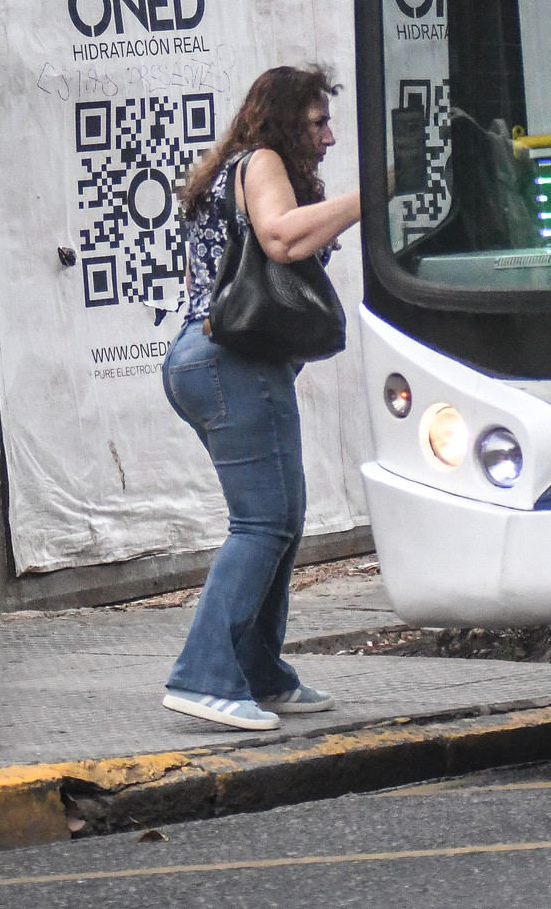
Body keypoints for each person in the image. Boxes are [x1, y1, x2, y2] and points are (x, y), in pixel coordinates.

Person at [161, 65, 361, 732]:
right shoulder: (262, 161)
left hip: (214, 360)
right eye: (317, 122)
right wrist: (377, 194)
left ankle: (259, 672)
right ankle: (204, 676)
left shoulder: (231, 169)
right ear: (280, 122)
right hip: (230, 361)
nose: (329, 137)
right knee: (263, 523)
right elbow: (278, 237)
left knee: (283, 518)